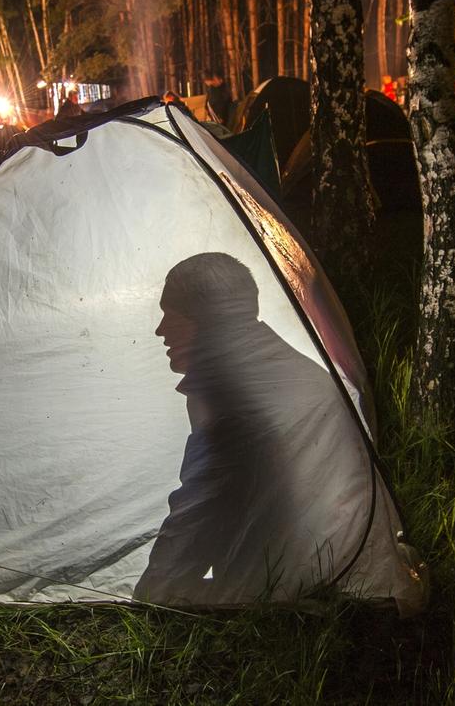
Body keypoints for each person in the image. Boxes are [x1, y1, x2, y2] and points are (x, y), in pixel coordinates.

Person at [134, 253, 366, 605]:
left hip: (291, 584)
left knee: (163, 593)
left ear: (208, 321)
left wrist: (152, 594)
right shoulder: (281, 366)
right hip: (340, 566)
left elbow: (199, 509)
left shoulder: (231, 400)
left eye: (172, 315)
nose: (160, 330)